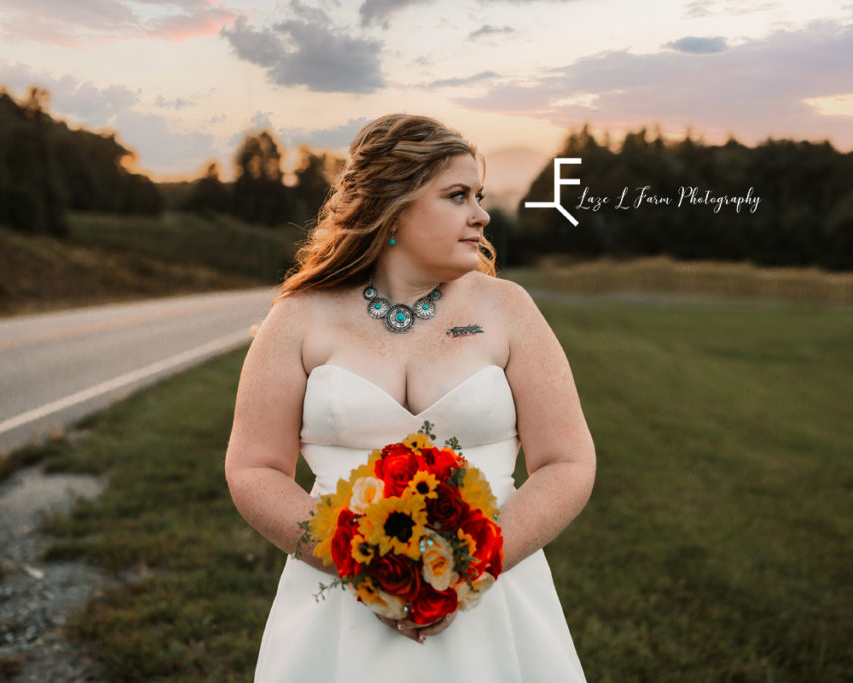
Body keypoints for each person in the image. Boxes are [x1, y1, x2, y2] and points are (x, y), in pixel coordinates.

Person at [224, 113, 596, 682]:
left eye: (479, 195)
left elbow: (567, 461)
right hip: (337, 604)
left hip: (493, 597)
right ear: (392, 208)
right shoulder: (298, 319)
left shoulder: (509, 309)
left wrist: (469, 568)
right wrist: (361, 566)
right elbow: (254, 467)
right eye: (457, 195)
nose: (482, 214)